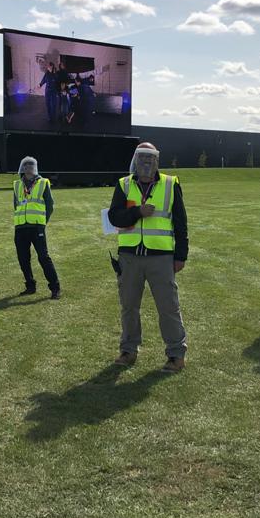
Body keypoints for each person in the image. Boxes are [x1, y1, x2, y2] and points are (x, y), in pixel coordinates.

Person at [107, 142, 189, 373]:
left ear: (156, 161)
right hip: (129, 257)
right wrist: (136, 212)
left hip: (161, 257)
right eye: (141, 157)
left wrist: (180, 256)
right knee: (129, 307)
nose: (146, 162)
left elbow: (180, 223)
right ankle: (128, 350)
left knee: (168, 307)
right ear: (135, 159)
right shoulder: (123, 185)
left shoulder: (171, 184)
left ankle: (176, 354)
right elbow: (115, 217)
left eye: (150, 158)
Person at [13, 156, 61, 299]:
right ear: (22, 167)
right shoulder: (17, 184)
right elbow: (15, 204)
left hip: (37, 227)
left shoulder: (43, 183)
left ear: (35, 167)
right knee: (23, 258)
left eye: (31, 165)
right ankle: (30, 285)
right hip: (21, 227)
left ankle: (55, 287)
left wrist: (42, 223)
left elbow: (49, 205)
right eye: (25, 165)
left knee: (43, 257)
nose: (28, 167)